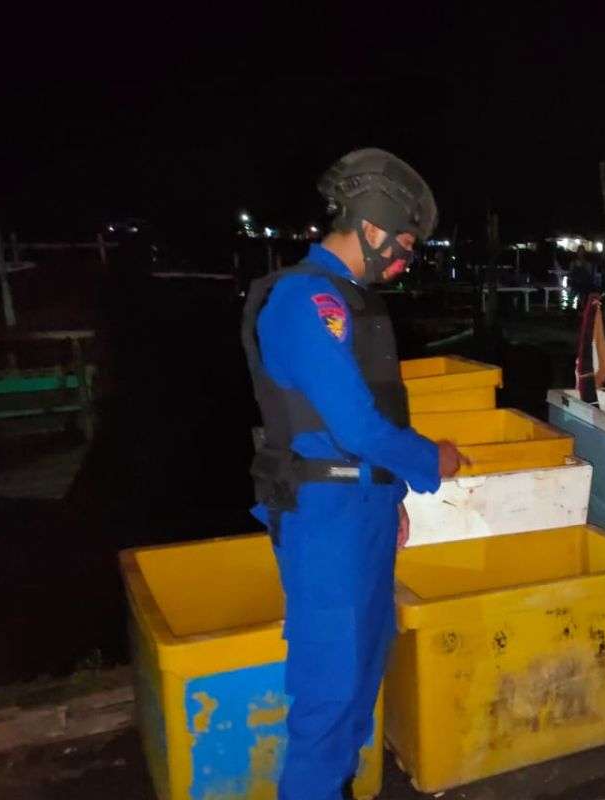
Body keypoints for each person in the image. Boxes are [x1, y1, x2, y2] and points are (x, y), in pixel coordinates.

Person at [240, 148, 466, 800]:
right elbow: (355, 429)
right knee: (329, 694)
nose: (404, 260)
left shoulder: (349, 300)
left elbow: (365, 429)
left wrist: (389, 494)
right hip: (324, 523)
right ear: (369, 227)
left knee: (362, 675)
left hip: (360, 513)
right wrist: (434, 462)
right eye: (401, 245)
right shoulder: (304, 300)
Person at [569, 245, 593, 310]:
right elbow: (570, 274)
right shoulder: (573, 263)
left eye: (582, 252)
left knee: (582, 301)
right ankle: (571, 311)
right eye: (580, 252)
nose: (581, 254)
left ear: (584, 253)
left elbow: (590, 275)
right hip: (575, 284)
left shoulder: (587, 264)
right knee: (570, 300)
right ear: (577, 252)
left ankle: (581, 310)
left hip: (584, 285)